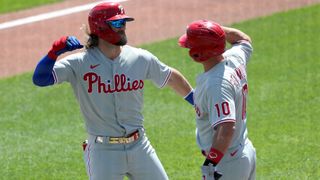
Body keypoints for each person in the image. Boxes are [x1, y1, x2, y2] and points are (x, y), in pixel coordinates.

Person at [32, 2, 194, 180]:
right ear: (100, 27)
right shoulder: (78, 63)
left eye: (123, 22)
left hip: (140, 145)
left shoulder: (139, 57)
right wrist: (53, 53)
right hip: (103, 152)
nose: (123, 27)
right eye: (117, 23)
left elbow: (170, 77)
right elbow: (40, 79)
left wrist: (197, 102)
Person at [178, 20, 256, 180]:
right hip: (242, 151)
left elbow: (226, 128)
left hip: (226, 163)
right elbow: (243, 39)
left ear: (196, 54)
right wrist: (213, 30)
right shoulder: (235, 57)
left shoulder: (216, 84)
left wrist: (211, 163)